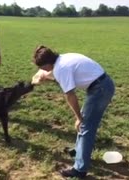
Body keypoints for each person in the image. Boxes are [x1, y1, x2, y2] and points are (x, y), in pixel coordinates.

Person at [32, 45, 115, 178]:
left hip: (100, 89)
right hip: (102, 85)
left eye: (41, 67)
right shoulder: (63, 59)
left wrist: (78, 118)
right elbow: (64, 80)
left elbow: (70, 95)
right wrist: (47, 78)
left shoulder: (61, 68)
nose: (41, 70)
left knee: (85, 126)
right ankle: (78, 152)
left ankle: (79, 170)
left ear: (48, 64)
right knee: (84, 124)